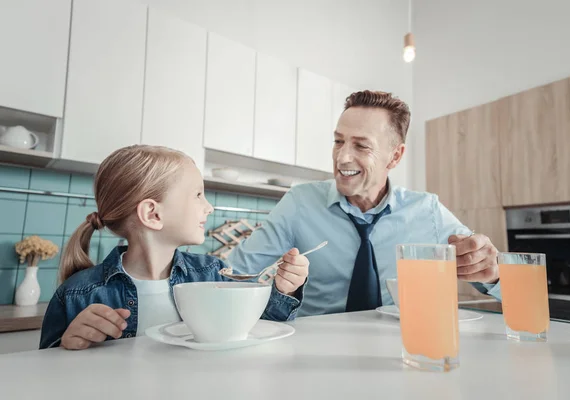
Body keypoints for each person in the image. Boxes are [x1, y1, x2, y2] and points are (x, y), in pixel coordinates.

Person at [227, 90, 501, 317]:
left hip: (400, 351)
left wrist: (491, 272)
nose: (342, 157)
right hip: (314, 354)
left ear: (394, 157)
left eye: (361, 146)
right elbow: (234, 275)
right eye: (338, 141)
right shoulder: (299, 203)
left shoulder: (427, 211)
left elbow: (493, 278)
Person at [39, 145, 309, 350]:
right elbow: (43, 371)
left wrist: (284, 290)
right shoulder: (77, 294)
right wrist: (66, 345)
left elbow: (259, 330)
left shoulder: (214, 274)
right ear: (153, 214)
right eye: (198, 194)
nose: (209, 206)